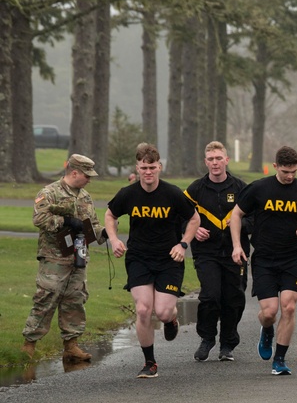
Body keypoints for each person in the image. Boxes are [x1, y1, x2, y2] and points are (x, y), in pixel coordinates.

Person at [105, 144, 199, 379]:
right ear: (137, 168)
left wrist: (183, 244)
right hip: (139, 258)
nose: (148, 172)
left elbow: (194, 219)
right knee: (144, 309)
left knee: (163, 312)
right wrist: (115, 239)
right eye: (143, 168)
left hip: (169, 259)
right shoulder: (128, 194)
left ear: (160, 167)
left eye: (152, 167)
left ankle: (172, 319)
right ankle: (150, 363)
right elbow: (110, 215)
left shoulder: (173, 193)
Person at [230, 146, 297, 376]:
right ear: (276, 166)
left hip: (293, 256)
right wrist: (237, 246)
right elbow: (236, 214)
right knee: (270, 312)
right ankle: (267, 329)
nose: (290, 176)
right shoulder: (259, 188)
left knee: (289, 306)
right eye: (285, 171)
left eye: (294, 172)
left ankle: (279, 360)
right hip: (264, 259)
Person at [22, 154, 105, 363]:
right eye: (87, 175)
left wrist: (104, 233)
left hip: (78, 257)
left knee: (75, 300)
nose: (89, 180)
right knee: (46, 299)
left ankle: (71, 346)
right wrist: (65, 220)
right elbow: (39, 218)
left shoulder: (85, 197)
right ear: (74, 172)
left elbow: (92, 223)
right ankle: (29, 346)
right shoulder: (49, 193)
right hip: (54, 258)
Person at [184, 141, 249, 362]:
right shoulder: (195, 189)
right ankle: (207, 337)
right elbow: (180, 216)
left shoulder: (241, 188)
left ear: (226, 160)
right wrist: (194, 230)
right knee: (210, 295)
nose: (215, 163)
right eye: (210, 159)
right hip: (206, 253)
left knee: (234, 298)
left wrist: (239, 225)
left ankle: (228, 343)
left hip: (235, 253)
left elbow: (253, 217)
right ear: (205, 162)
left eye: (218, 158)